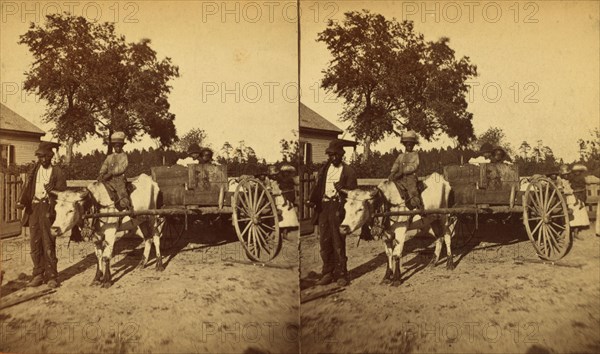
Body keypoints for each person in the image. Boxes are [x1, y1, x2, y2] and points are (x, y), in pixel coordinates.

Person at [307, 139, 357, 287]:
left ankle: (341, 274)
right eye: (330, 155)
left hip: (338, 207)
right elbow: (318, 186)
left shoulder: (348, 171)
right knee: (324, 241)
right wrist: (313, 200)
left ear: (341, 155)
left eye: (336, 155)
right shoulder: (324, 169)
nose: (333, 158)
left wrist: (342, 189)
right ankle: (327, 273)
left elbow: (353, 194)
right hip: (324, 206)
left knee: (338, 242)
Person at [18, 142, 67, 288]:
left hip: (48, 208)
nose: (43, 159)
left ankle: (52, 276)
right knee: (35, 242)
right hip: (34, 208)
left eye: (45, 157)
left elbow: (63, 193)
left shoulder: (57, 172)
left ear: (50, 157)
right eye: (40, 157)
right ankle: (38, 274)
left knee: (48, 242)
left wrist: (53, 191)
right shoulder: (34, 170)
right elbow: (27, 188)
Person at [388, 130, 423, 211]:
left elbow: (415, 166)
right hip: (400, 177)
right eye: (407, 145)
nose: (409, 146)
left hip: (410, 177)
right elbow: (396, 164)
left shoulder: (415, 155)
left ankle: (418, 206)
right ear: (404, 145)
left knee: (412, 190)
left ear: (414, 145)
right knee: (390, 185)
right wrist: (393, 172)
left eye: (411, 145)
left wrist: (403, 171)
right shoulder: (401, 156)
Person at [98, 132, 130, 211]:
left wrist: (111, 173)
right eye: (116, 146)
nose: (117, 148)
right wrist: (101, 173)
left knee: (122, 191)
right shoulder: (110, 157)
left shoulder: (124, 156)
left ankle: (125, 206)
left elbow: (122, 167)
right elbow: (105, 165)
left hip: (119, 179)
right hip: (109, 179)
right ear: (113, 147)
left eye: (119, 146)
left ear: (122, 146)